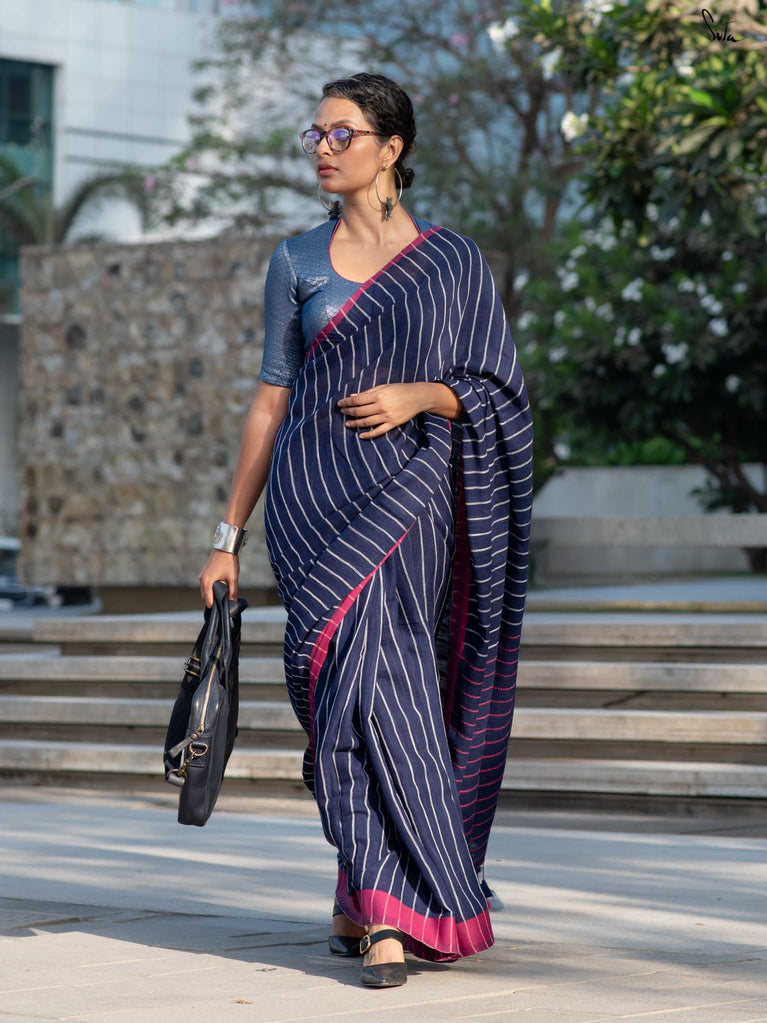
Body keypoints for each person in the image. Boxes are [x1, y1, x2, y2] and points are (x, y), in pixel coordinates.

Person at [199, 71, 534, 989]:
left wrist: (423, 393)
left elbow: (499, 391)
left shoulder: (451, 261)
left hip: (413, 502)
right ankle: (368, 888)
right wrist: (227, 536)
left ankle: (383, 907)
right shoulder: (295, 261)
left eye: (341, 133)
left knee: (383, 695)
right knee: (341, 701)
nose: (322, 147)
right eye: (315, 133)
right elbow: (271, 401)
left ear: (391, 148)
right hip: (312, 506)